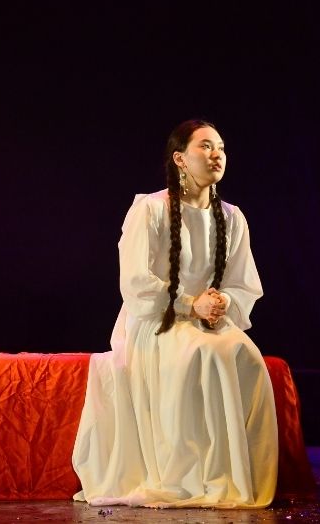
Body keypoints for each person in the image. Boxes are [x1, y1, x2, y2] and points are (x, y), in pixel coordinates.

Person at [72, 119, 278, 508]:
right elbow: (136, 281)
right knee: (209, 355)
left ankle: (232, 474)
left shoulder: (232, 216)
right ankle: (190, 474)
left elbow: (243, 282)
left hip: (207, 321)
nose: (216, 154)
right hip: (156, 321)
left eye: (221, 147)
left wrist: (223, 302)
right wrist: (188, 303)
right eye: (206, 146)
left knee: (247, 355)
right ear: (181, 158)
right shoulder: (150, 209)